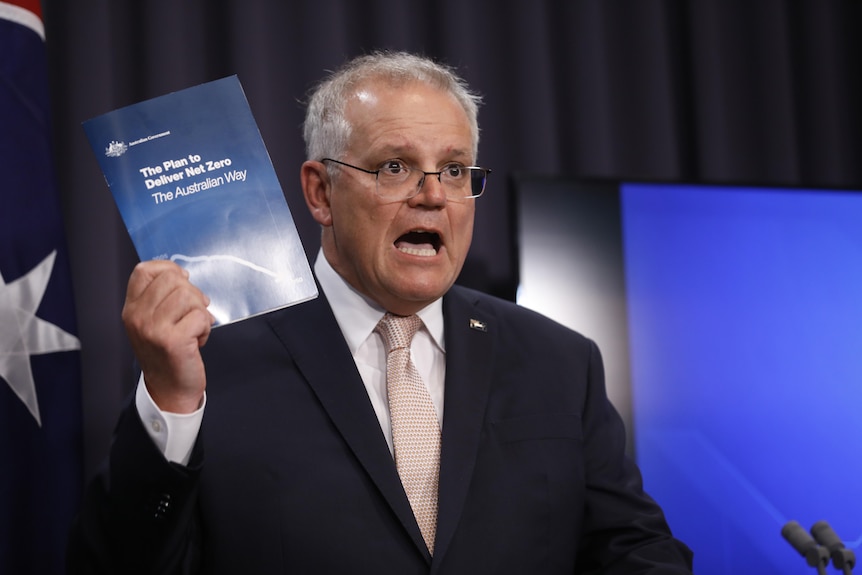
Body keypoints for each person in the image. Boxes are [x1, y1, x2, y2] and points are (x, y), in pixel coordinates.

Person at [67, 51, 694, 574]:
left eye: (454, 170)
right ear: (320, 192)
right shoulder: (210, 361)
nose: (432, 196)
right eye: (395, 167)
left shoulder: (560, 360)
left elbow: (632, 551)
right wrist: (171, 404)